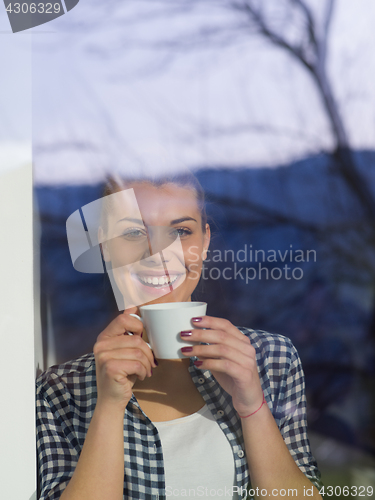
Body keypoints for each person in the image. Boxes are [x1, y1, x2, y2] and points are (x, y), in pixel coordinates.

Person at [36, 173, 323, 500]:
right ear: (105, 247)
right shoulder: (60, 390)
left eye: (180, 231)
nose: (158, 252)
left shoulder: (272, 359)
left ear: (204, 243)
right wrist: (109, 408)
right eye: (133, 232)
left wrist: (252, 406)